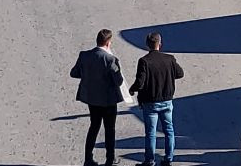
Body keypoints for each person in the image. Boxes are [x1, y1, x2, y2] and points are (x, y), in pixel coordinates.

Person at [70, 29, 125, 166]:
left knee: (94, 127)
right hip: (108, 101)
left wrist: (89, 76)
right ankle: (110, 159)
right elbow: (119, 81)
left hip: (92, 99)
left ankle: (88, 158)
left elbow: (74, 73)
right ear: (108, 43)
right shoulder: (110, 59)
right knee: (109, 129)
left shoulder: (84, 56)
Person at [129, 32, 185, 166]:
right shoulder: (170, 59)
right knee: (169, 130)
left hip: (150, 102)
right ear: (160, 44)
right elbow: (180, 73)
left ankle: (150, 160)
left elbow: (140, 82)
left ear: (147, 45)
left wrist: (132, 89)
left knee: (151, 133)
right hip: (167, 101)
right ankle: (169, 158)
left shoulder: (144, 61)